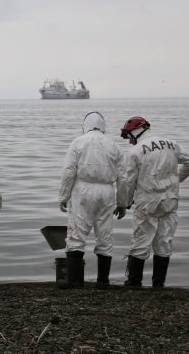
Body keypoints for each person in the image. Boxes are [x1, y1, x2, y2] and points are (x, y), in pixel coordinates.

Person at [57, 112, 127, 290]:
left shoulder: (78, 142)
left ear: (85, 125)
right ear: (103, 126)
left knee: (77, 233)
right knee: (105, 234)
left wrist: (63, 197)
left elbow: (68, 172)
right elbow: (123, 177)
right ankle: (103, 282)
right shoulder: (113, 145)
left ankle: (73, 282)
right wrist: (122, 203)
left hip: (83, 190)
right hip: (107, 191)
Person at [121, 116, 189, 288]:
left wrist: (125, 202)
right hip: (170, 200)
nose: (129, 141)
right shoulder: (172, 144)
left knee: (141, 240)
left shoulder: (135, 152)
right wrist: (177, 179)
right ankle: (158, 285)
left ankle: (134, 282)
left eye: (129, 136)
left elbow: (128, 181)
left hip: (147, 201)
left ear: (136, 131)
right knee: (164, 241)